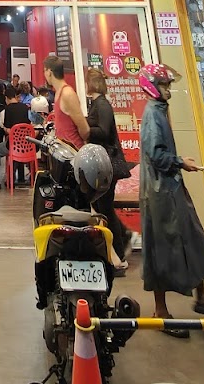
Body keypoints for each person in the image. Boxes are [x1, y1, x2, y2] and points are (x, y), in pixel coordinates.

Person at [137, 63, 204, 336]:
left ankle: (202, 297)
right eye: (164, 85)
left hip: (169, 188)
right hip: (159, 194)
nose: (169, 89)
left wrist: (178, 165)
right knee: (160, 250)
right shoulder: (153, 114)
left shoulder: (159, 111)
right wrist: (180, 162)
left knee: (193, 238)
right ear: (153, 87)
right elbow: (156, 155)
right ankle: (160, 311)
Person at [85, 67, 132, 270]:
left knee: (105, 209)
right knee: (103, 207)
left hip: (109, 163)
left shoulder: (102, 105)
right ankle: (124, 235)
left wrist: (85, 128)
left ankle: (119, 254)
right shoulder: (98, 104)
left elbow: (103, 131)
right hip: (104, 162)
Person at [0, 84, 31, 188]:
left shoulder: (8, 109)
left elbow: (8, 130)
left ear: (6, 98)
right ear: (16, 96)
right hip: (26, 146)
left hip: (12, 146)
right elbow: (28, 125)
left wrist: (6, 129)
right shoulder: (25, 108)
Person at [43, 54, 89, 149]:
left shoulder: (67, 94)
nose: (44, 75)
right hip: (64, 151)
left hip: (73, 152)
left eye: (44, 71)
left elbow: (85, 130)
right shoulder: (58, 93)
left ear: (49, 72)